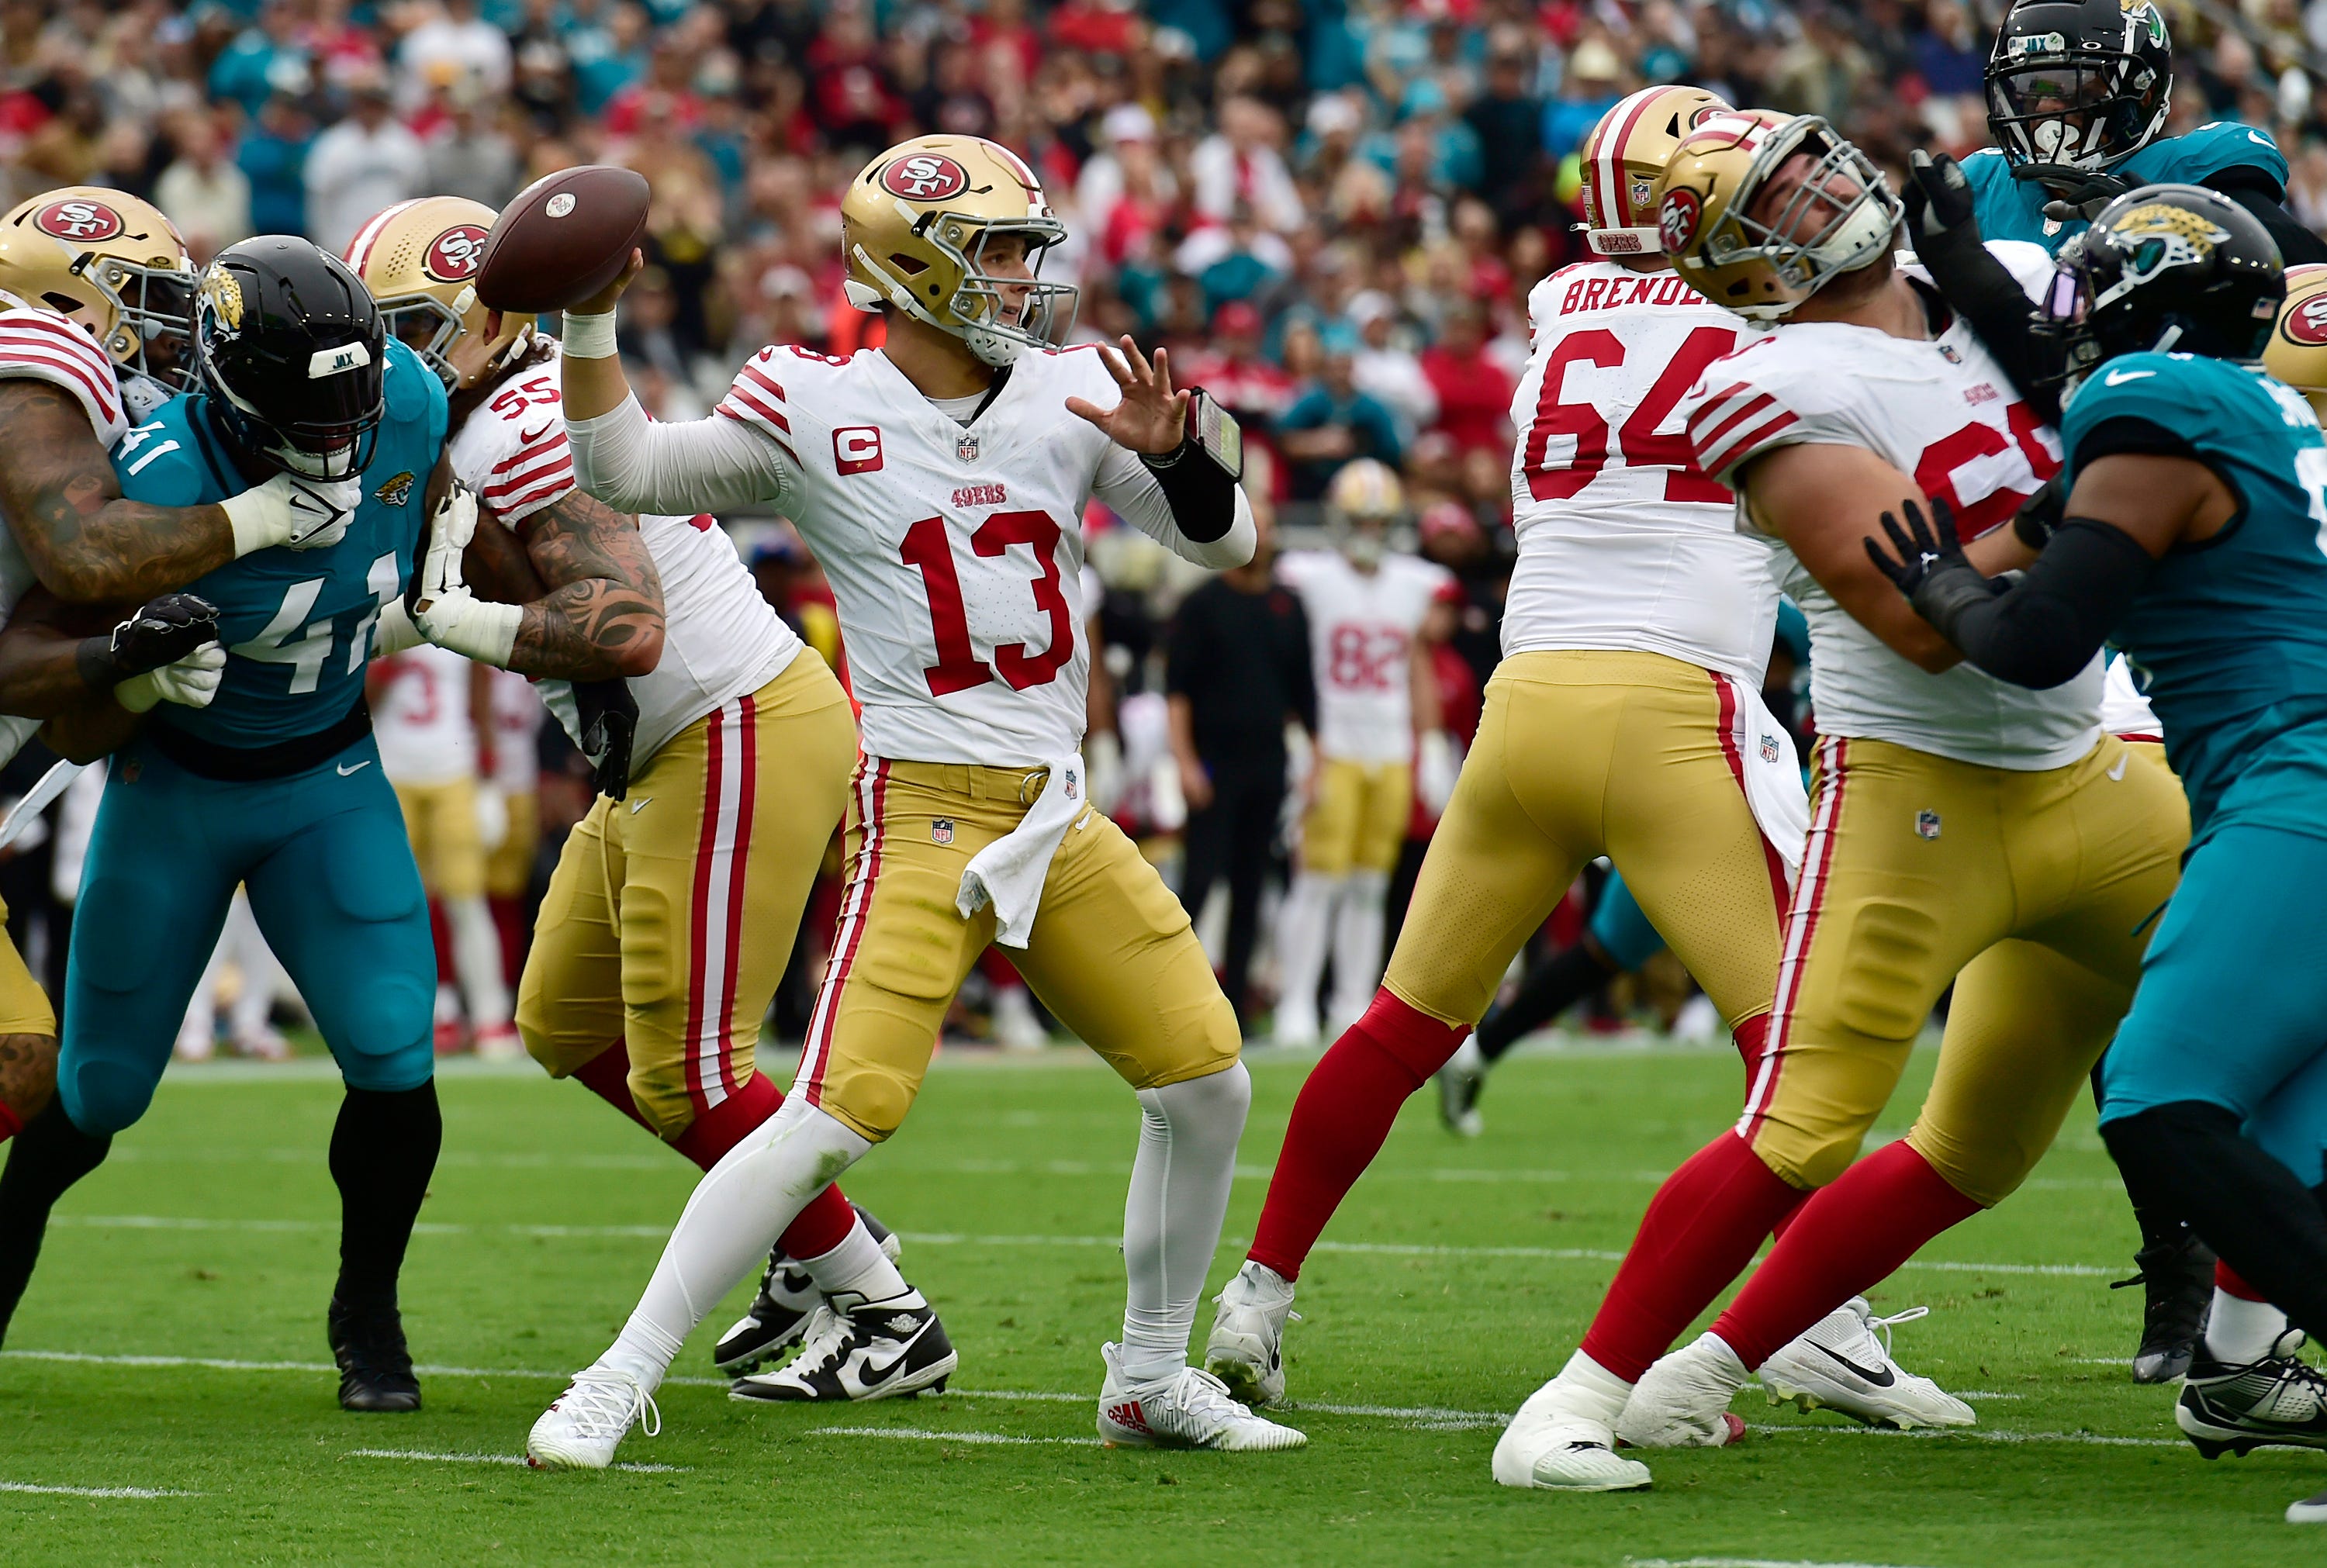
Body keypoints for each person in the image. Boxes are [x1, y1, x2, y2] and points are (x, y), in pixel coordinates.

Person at [523, 134, 1298, 1467]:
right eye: (995, 250)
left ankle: (1150, 1376)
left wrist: (1179, 460)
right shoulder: (812, 404)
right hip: (927, 802)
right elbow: (625, 471)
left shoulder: (1071, 392)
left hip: (1055, 806)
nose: (1021, 276)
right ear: (911, 265)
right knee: (832, 1114)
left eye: (1021, 249)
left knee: (1208, 1080)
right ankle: (616, 1373)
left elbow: (1231, 544)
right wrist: (588, 316)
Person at [1490, 110, 2187, 1494]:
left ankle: (2235, 1348)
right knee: (1803, 1123)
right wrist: (2109, 488)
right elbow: (1930, 619)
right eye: (1778, 196)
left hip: (2092, 764)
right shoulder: (1772, 384)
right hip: (1919, 797)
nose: (1821, 189)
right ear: (1731, 261)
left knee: (2024, 1129)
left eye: (1814, 161)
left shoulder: (1991, 277)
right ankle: (1572, 1402)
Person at [1204, 92, 1868, 1428]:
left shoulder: (1562, 306)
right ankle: (1814, 1323)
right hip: (1677, 707)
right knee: (1797, 1051)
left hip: (1529, 703)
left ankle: (1256, 1298)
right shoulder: (1777, 328)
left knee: (1401, 1025)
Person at [346, 193, 939, 1393]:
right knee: (565, 1021)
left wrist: (445, 619)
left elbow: (623, 625)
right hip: (666, 749)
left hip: (730, 723)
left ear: (492, 315)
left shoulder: (520, 419)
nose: (389, 359)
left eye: (412, 329)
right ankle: (803, 1226)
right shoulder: (466, 417)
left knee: (694, 1069)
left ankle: (884, 1311)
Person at [1869, 183, 2327, 1518]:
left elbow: (2038, 640)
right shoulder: (2265, 413)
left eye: (2094, 289)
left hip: (2297, 783)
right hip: (2290, 777)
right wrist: (1956, 251)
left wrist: (1938, 584)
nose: (2068, 319)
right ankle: (2258, 1382)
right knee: (2282, 1144)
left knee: (2160, 1096)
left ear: (2141, 311)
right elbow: (2078, 513)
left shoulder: (2157, 411)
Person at [0, 237, 455, 1413]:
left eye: (352, 405)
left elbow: (431, 518)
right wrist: (128, 670)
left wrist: (446, 592)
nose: (336, 439)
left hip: (328, 775)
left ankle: (369, 1312)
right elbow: (22, 655)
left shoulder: (404, 394)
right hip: (177, 787)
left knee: (397, 1043)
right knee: (97, 1090)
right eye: (306, 414)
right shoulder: (152, 472)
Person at [0, 185, 344, 1186]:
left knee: (24, 1059)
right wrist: (265, 517)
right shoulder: (39, 356)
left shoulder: (99, 411)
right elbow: (83, 559)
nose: (167, 325)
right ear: (69, 303)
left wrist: (138, 678)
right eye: (144, 296)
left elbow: (52, 708)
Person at [1437, 601, 1813, 1134]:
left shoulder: (1801, 643)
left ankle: (1483, 1048)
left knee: (1608, 954)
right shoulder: (1745, 617)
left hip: (1723, 802)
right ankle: (1784, 1115)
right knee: (1625, 953)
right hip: (1688, 803)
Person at [1269, 459, 1454, 1046]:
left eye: (1379, 521)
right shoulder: (1310, 577)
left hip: (1392, 747)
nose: (1370, 532)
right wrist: (1299, 739)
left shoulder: (1413, 583)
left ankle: (1351, 1001)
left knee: (1371, 885)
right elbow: (1293, 665)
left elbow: (1418, 665)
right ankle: (1297, 1001)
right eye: (1360, 520)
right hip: (1335, 747)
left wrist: (1429, 742)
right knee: (1318, 880)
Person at [1968, 0, 2327, 264]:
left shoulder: (2190, 173)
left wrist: (2167, 215)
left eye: (2071, 86)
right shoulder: (1981, 185)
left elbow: (2309, 278)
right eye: (2030, 87)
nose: (2045, 107)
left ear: (2144, 93)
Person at [1167, 503, 1315, 1031]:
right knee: (1201, 881)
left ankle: (1234, 1007)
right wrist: (1185, 763)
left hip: (1269, 760)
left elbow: (1305, 694)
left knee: (1254, 884)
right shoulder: (1203, 605)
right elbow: (1178, 692)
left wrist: (1313, 765)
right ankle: (1168, 996)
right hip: (1214, 761)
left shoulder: (1288, 605)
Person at [368, 640, 515, 1055]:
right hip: (393, 774)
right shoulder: (382, 623)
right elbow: (361, 704)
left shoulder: (455, 624)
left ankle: (489, 1016)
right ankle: (427, 1014)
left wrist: (489, 777)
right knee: (399, 904)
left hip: (452, 773)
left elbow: (480, 698)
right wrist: (384, 665)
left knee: (466, 900)